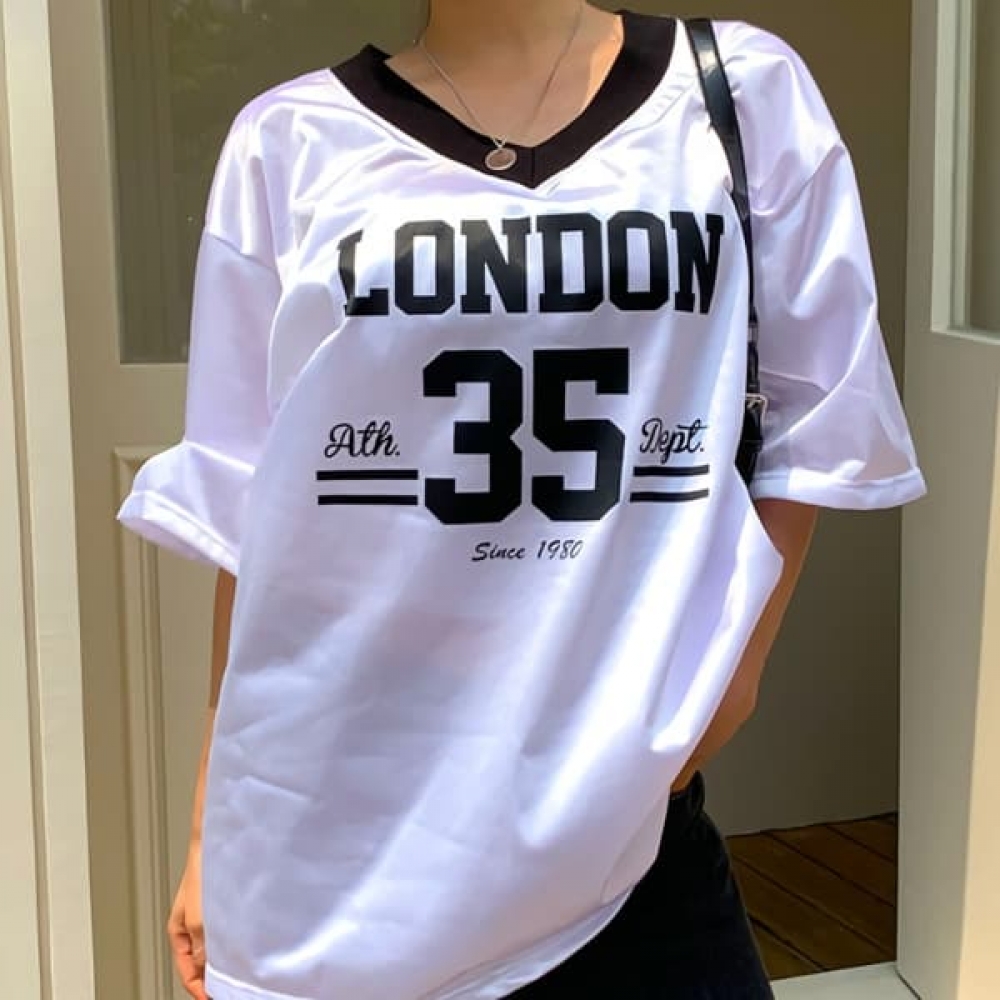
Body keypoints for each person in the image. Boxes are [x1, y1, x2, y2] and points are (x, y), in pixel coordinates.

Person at [117, 2, 927, 998]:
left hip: (620, 818)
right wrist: (212, 827)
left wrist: (730, 679)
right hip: (345, 826)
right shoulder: (287, 141)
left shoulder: (738, 96)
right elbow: (256, 516)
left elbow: (814, 417)